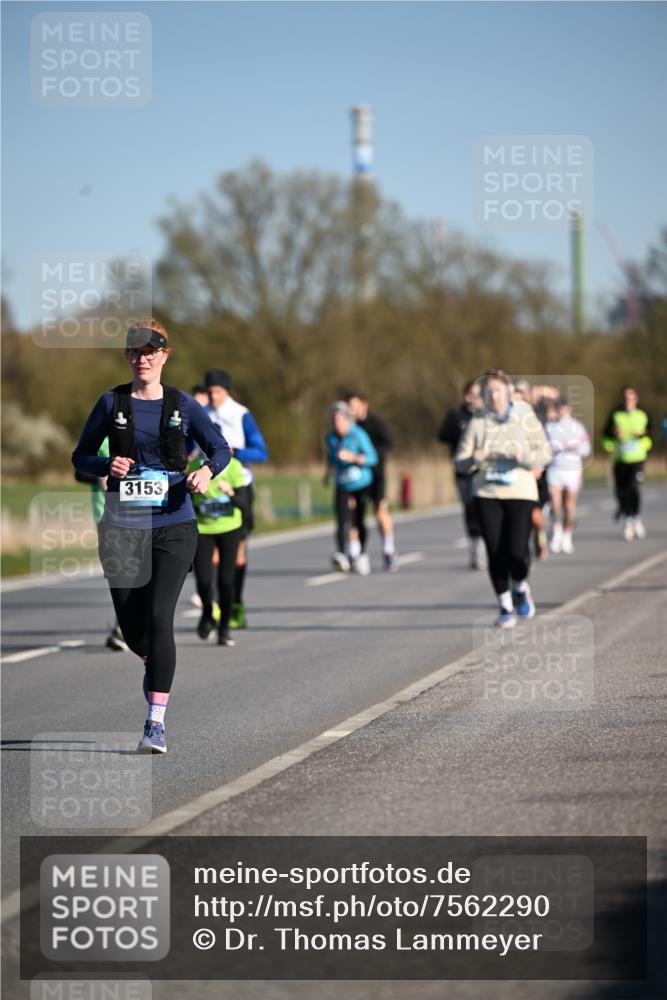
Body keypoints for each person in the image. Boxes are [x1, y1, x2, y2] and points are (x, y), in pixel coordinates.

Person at [72, 320, 231, 753]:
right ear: (127, 357)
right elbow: (80, 456)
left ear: (164, 356)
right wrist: (106, 465)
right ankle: (152, 660)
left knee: (160, 617)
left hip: (174, 525)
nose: (142, 359)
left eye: (150, 352)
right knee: (134, 632)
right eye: (134, 352)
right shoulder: (111, 402)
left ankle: (155, 723)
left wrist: (206, 472)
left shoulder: (183, 405)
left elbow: (220, 449)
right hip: (121, 529)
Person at [455, 369, 552, 628]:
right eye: (489, 392)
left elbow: (545, 452)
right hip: (487, 493)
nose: (494, 396)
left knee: (517, 551)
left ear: (508, 393)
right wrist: (473, 459)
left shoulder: (525, 415)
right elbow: (459, 462)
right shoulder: (478, 421)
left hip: (520, 491)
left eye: (498, 391)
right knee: (495, 550)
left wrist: (525, 457)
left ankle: (520, 586)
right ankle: (505, 604)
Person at [205, 369, 269, 629]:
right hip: (209, 487)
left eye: (217, 392)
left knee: (238, 553)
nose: (213, 397)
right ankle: (218, 604)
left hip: (239, 485)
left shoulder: (241, 414)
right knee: (212, 553)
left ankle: (236, 603)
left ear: (226, 391)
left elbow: (261, 452)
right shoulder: (203, 413)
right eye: (210, 392)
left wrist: (234, 451)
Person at [190, 453, 247, 647]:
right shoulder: (194, 466)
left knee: (226, 581)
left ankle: (224, 628)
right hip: (203, 529)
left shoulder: (234, 466)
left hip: (230, 529)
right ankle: (208, 611)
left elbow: (244, 504)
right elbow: (186, 502)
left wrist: (230, 493)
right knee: (203, 579)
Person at [344, 391, 398, 571]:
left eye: (354, 407)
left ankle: (388, 550)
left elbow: (388, 444)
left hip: (375, 475)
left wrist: (369, 456)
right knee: (353, 512)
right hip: (355, 477)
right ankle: (355, 553)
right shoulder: (348, 427)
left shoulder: (376, 423)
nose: (352, 411)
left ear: (364, 405)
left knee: (380, 511)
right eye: (349, 407)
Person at [326, 402, 378, 574]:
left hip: (361, 482)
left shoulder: (358, 434)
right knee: (341, 519)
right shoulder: (331, 438)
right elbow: (330, 458)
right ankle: (341, 554)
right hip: (342, 482)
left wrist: (353, 458)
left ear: (347, 420)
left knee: (359, 519)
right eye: (334, 420)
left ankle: (362, 554)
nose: (337, 423)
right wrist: (327, 474)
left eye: (340, 419)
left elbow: (372, 457)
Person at [438, 380, 485, 569]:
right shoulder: (456, 414)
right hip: (463, 470)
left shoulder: (487, 415)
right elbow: (442, 436)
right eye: (471, 394)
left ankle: (486, 544)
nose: (473, 398)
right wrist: (460, 431)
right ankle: (475, 546)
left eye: (477, 394)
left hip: (483, 471)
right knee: (470, 507)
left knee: (484, 507)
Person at [602, 386, 652, 541]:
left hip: (637, 458)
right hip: (620, 459)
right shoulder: (616, 416)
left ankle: (635, 517)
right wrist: (610, 446)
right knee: (621, 491)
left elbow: (650, 434)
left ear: (636, 399)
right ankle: (627, 517)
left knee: (634, 488)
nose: (628, 401)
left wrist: (643, 443)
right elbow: (606, 435)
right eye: (625, 398)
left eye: (630, 398)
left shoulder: (642, 415)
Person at [545, 397, 591, 554]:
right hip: (555, 470)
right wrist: (556, 448)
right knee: (555, 503)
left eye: (564, 408)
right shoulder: (549, 427)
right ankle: (557, 532)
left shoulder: (578, 427)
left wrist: (575, 447)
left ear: (569, 409)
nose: (562, 412)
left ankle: (567, 535)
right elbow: (543, 448)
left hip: (572, 471)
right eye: (559, 408)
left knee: (569, 505)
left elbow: (586, 449)